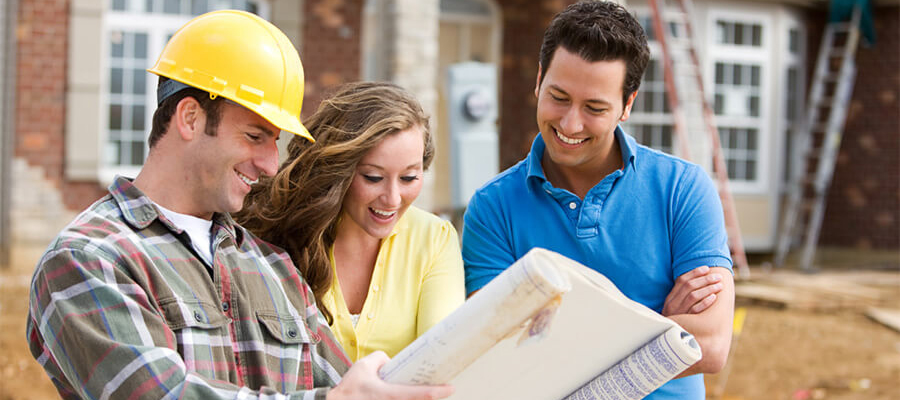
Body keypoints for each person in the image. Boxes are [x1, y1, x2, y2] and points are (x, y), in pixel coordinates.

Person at [25, 10, 452, 400]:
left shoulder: (273, 268)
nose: (270, 164)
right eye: (254, 136)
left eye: (275, 140)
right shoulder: (89, 259)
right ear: (190, 118)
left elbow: (349, 386)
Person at [461, 1, 734, 399]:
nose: (570, 124)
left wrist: (559, 338)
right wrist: (658, 324)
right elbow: (497, 351)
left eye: (594, 108)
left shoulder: (684, 189)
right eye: (558, 97)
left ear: (627, 104)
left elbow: (708, 344)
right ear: (538, 80)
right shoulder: (492, 208)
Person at [237, 82, 465, 361]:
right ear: (337, 171)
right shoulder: (277, 235)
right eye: (373, 177)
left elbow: (443, 358)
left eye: (409, 178)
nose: (393, 199)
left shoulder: (435, 238)